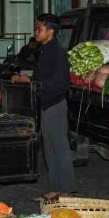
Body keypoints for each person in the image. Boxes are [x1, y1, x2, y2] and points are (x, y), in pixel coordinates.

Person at [15, 14, 74, 199]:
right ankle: (56, 188)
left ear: (51, 31)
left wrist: (31, 80)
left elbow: (60, 83)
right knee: (49, 149)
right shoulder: (45, 49)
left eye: (39, 28)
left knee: (60, 148)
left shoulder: (57, 52)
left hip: (55, 104)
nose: (36, 32)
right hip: (46, 104)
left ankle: (66, 190)